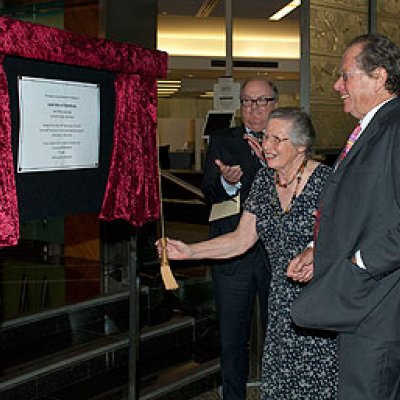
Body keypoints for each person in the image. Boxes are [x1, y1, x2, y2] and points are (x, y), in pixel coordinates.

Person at [158, 107, 338, 399]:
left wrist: (316, 251)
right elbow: (241, 239)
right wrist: (190, 251)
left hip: (320, 300)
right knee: (281, 386)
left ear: (302, 145)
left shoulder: (328, 182)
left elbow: (351, 236)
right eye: (266, 137)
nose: (266, 146)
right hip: (280, 302)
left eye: (277, 139)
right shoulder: (265, 182)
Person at [288, 33, 400, 400]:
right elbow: (360, 209)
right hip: (365, 304)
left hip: (378, 308)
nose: (337, 85)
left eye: (345, 75)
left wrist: (361, 263)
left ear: (379, 76)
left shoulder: (395, 128)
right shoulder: (373, 128)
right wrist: (317, 249)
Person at [201, 78, 277, 399]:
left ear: (274, 104)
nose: (253, 109)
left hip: (276, 252)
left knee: (280, 333)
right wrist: (227, 182)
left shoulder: (288, 138)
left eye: (260, 102)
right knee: (232, 337)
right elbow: (209, 191)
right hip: (234, 252)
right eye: (247, 102)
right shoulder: (222, 140)